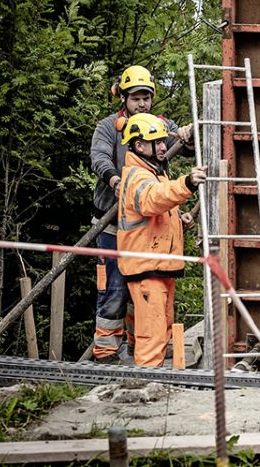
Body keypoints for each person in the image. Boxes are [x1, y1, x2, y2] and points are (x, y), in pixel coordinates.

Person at [89, 65, 193, 363]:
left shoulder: (161, 126)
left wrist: (187, 134)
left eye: (146, 97)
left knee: (146, 293)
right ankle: (106, 354)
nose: (142, 103)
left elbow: (182, 150)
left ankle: (140, 353)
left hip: (149, 231)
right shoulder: (109, 127)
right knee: (114, 288)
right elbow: (98, 157)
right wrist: (115, 179)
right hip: (112, 224)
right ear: (123, 98)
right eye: (135, 98)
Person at [116, 113, 206, 367]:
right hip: (146, 269)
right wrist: (187, 183)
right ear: (139, 145)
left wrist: (178, 219)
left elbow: (158, 212)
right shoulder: (137, 177)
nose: (164, 146)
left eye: (163, 141)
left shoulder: (155, 174)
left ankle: (154, 383)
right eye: (157, 142)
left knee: (161, 331)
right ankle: (145, 385)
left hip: (160, 267)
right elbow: (153, 200)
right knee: (152, 336)